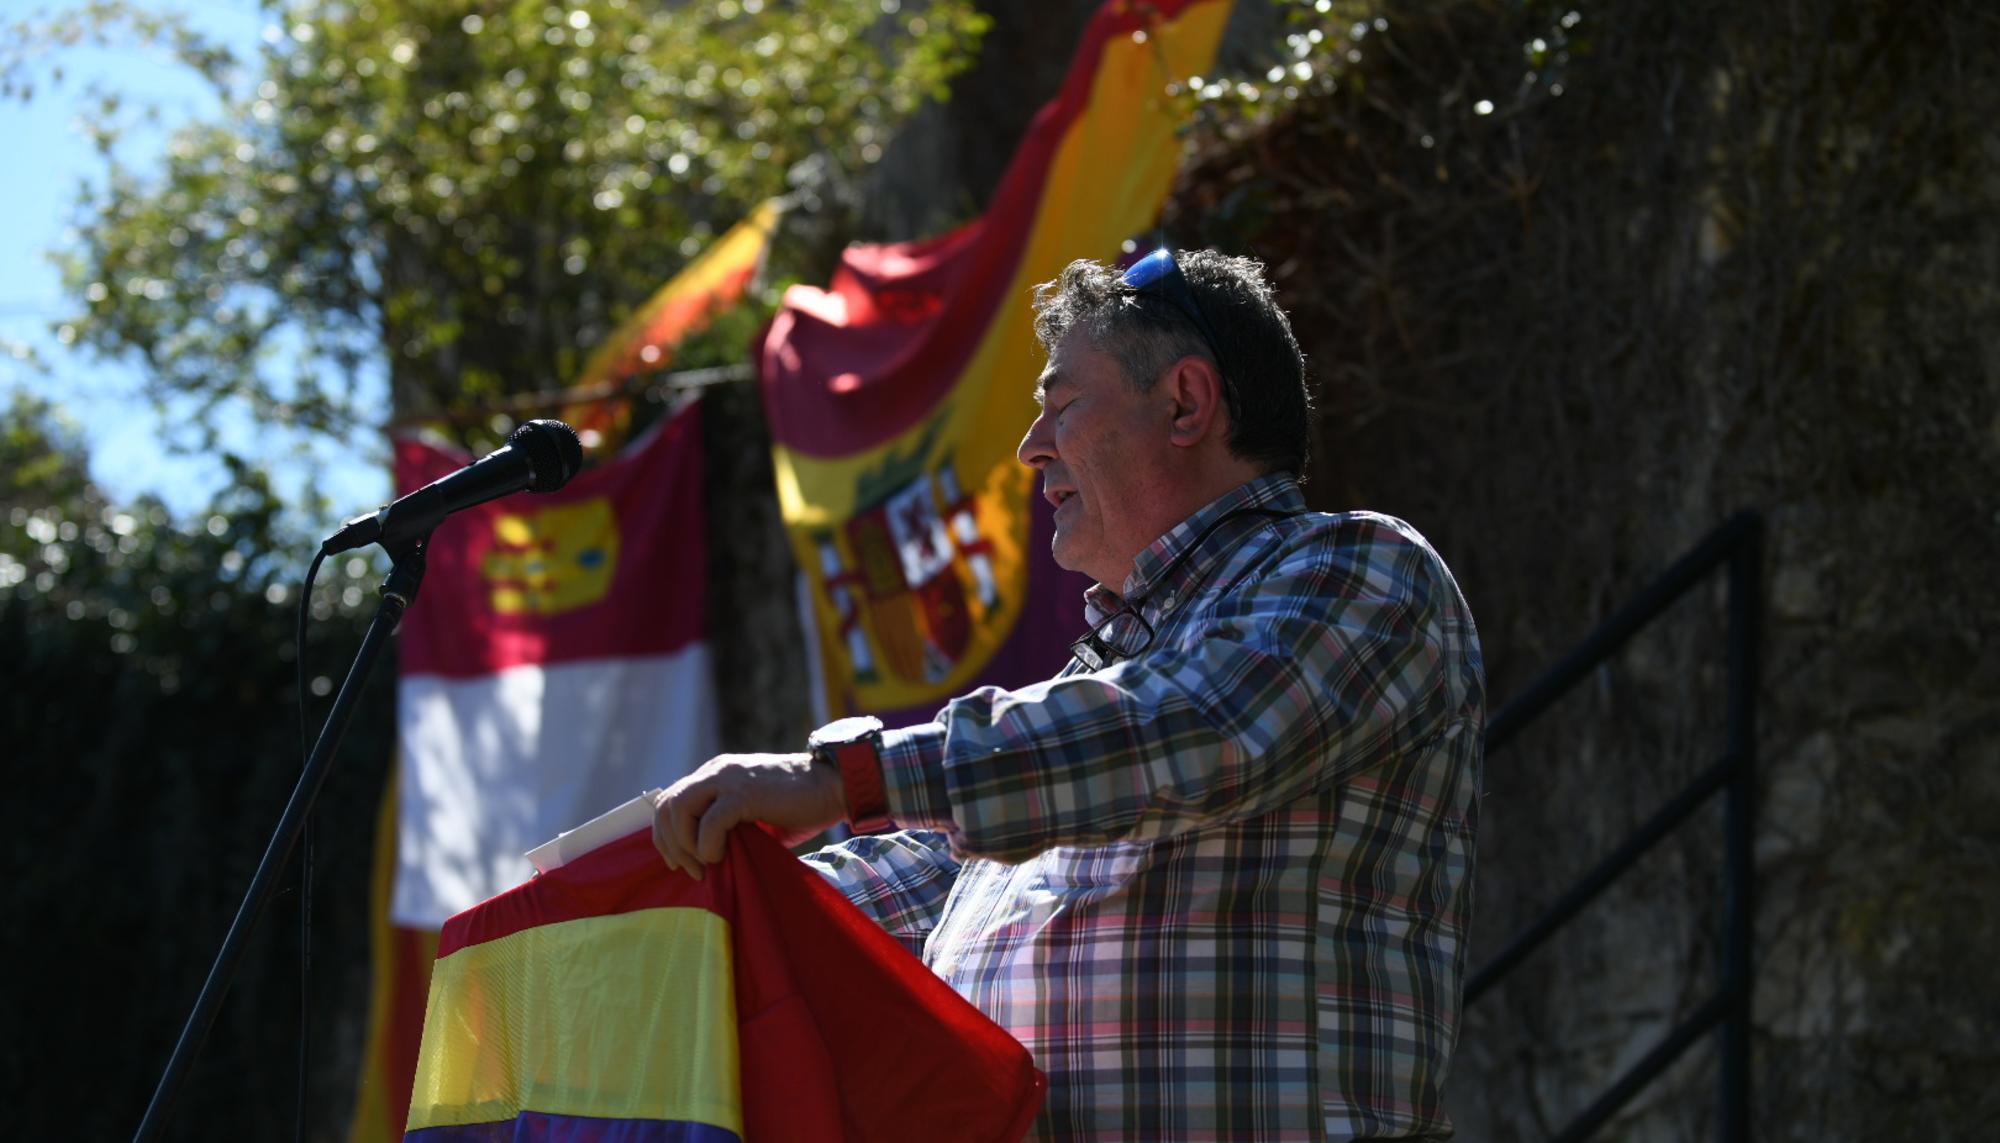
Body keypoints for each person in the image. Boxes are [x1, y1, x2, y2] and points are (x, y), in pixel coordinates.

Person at [653, 248, 1485, 1141]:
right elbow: (928, 868)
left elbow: (1196, 730)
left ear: (1184, 403)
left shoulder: (1361, 570)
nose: (1029, 447)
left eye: (1060, 404)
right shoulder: (1089, 693)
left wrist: (843, 778)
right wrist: (678, 913)